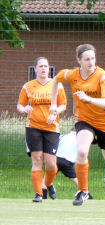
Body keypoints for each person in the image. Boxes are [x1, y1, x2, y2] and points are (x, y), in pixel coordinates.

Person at [50, 44, 105, 213]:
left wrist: (88, 99)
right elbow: (56, 78)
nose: (91, 62)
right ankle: (83, 191)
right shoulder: (72, 75)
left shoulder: (103, 77)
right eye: (87, 59)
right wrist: (53, 103)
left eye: (93, 58)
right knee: (82, 152)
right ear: (79, 60)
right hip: (84, 120)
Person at [17, 57, 67, 202]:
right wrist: (24, 108)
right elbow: (20, 105)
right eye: (41, 66)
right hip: (33, 127)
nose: (44, 68)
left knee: (51, 163)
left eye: (46, 66)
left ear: (49, 68)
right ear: (35, 69)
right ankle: (38, 193)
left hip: (52, 128)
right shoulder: (28, 86)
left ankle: (48, 183)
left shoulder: (56, 85)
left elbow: (63, 104)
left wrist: (55, 112)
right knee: (37, 160)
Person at [41, 129, 94, 200]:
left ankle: (43, 197)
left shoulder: (63, 136)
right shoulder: (80, 139)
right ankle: (88, 196)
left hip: (56, 159)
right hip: (67, 162)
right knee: (77, 180)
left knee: (46, 178)